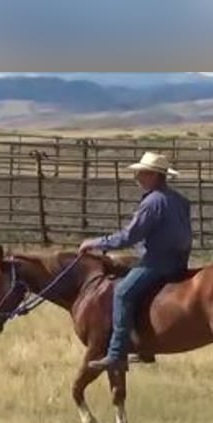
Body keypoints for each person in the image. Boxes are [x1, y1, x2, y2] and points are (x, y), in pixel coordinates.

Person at [78, 151, 193, 373]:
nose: (137, 177)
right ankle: (144, 348)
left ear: (154, 175)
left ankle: (115, 354)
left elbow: (129, 236)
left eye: (141, 173)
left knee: (123, 293)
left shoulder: (152, 202)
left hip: (158, 262)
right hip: (179, 261)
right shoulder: (179, 200)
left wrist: (95, 243)